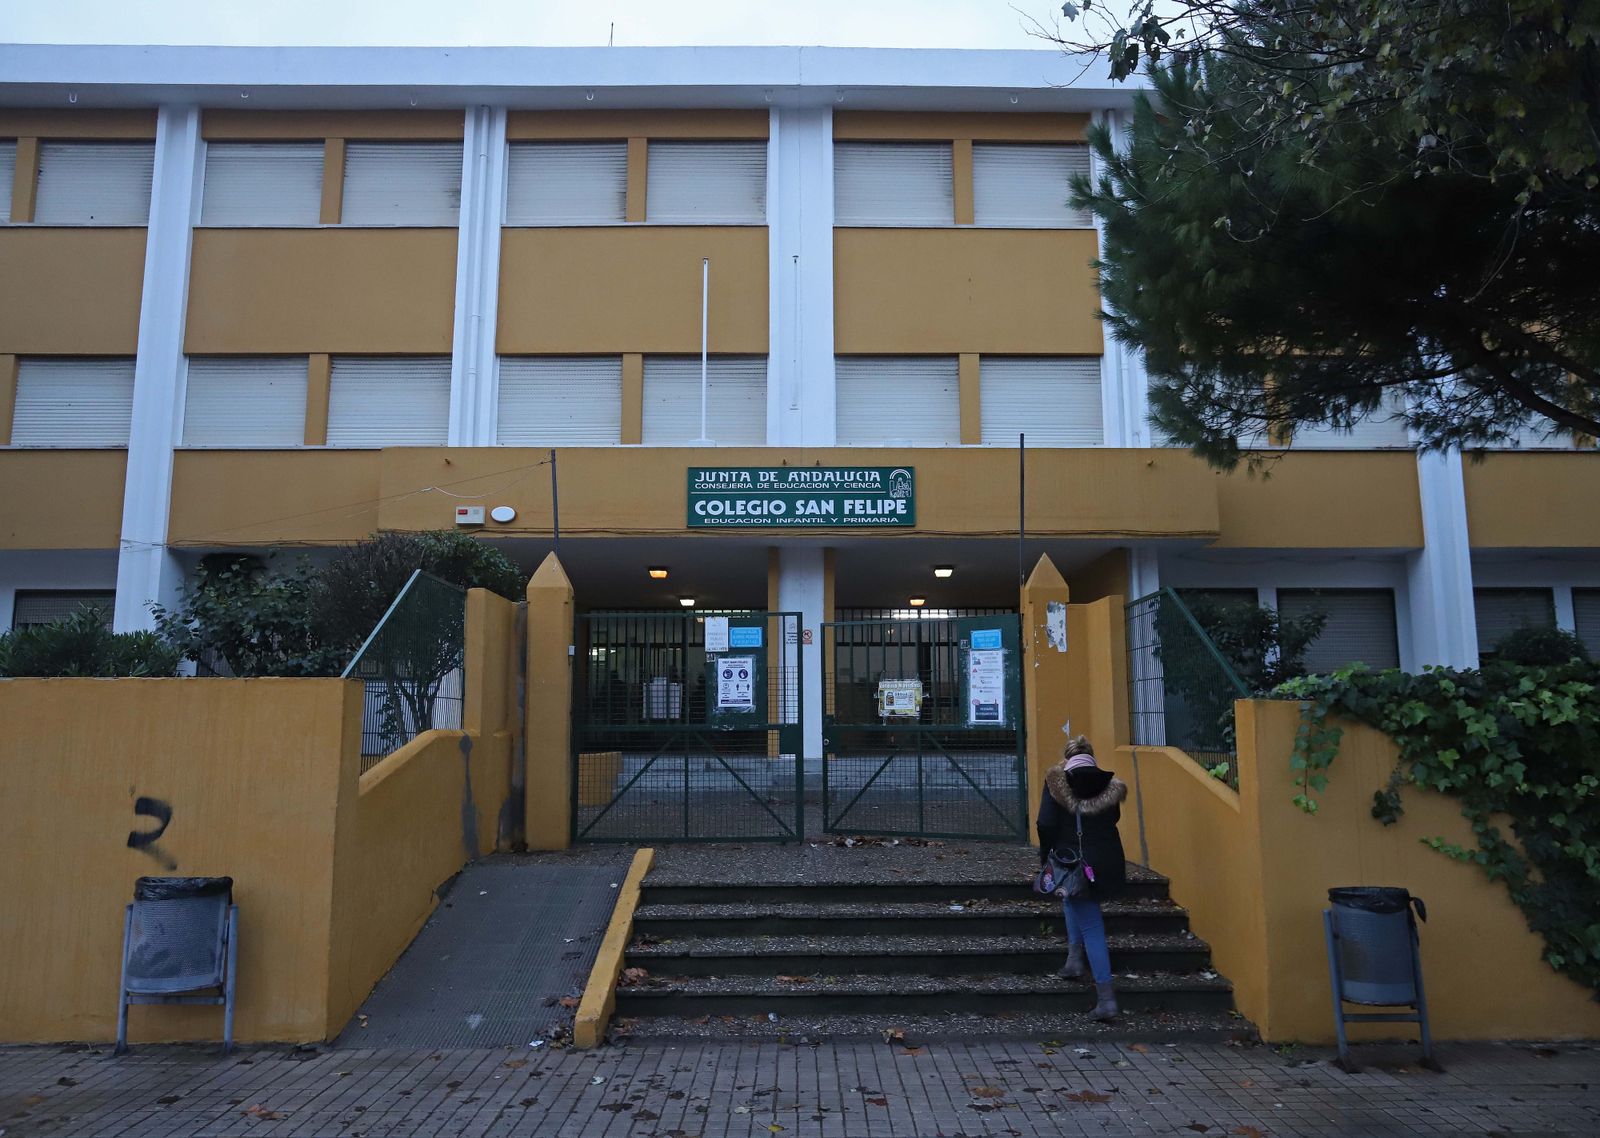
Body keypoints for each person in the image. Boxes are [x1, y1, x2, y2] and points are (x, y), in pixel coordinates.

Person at [1036, 735, 1128, 1021]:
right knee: (1071, 898)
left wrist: (1046, 857)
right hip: (1108, 861)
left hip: (1073, 861)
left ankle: (1106, 999)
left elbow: (1045, 822)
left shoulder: (1056, 782)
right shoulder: (1110, 787)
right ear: (1092, 756)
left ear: (1067, 758)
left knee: (1092, 926)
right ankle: (1074, 960)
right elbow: (1112, 820)